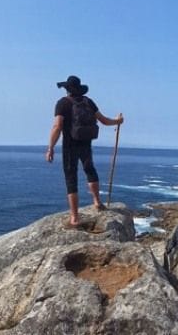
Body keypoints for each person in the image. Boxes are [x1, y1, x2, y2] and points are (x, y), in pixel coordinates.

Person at [46, 75, 124, 227]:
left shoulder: (62, 103)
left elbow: (57, 126)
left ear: (67, 89)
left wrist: (51, 148)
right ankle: (97, 201)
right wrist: (118, 121)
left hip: (70, 144)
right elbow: (104, 120)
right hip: (86, 143)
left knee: (71, 177)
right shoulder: (88, 101)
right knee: (90, 169)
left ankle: (74, 217)